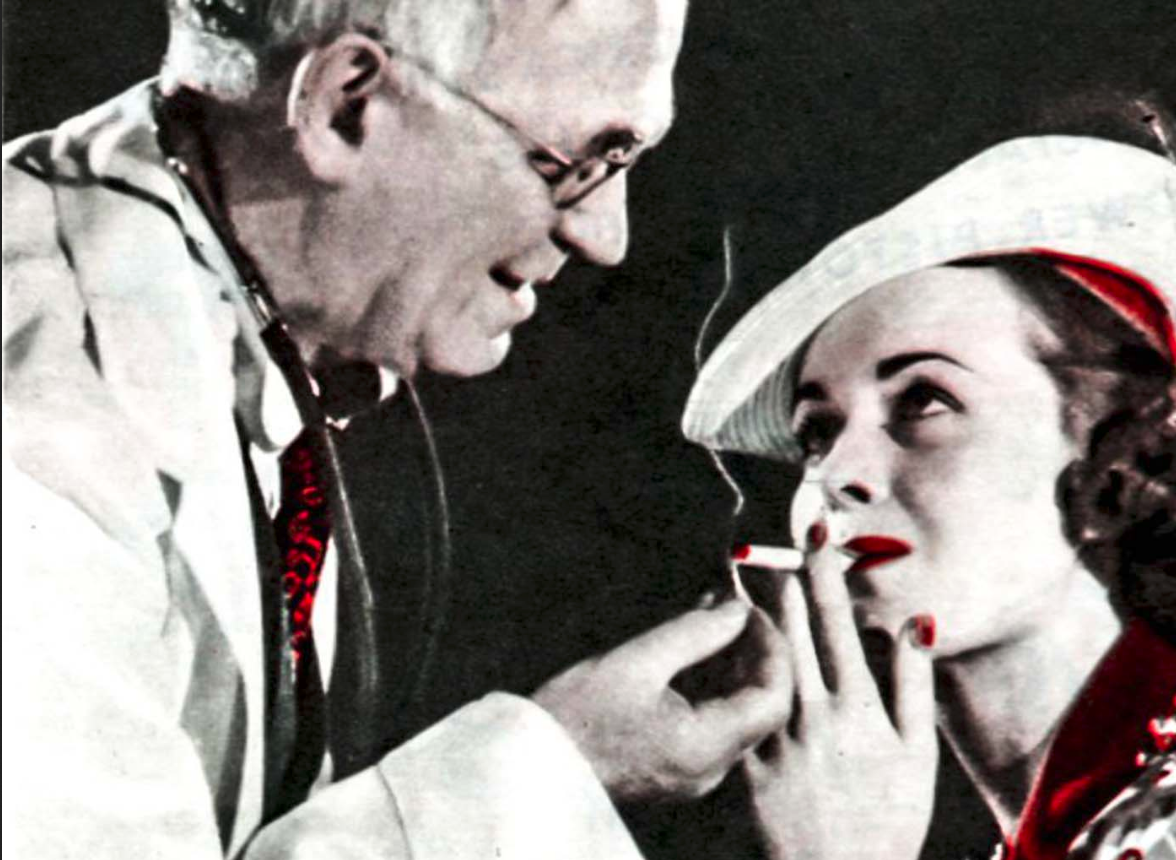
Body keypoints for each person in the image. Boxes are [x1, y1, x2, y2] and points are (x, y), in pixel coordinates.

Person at [2, 0, 793, 856]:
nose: (606, 236)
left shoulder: (234, 322)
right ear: (346, 105)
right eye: (582, 163)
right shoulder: (34, 434)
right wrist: (551, 777)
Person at [682, 132, 1176, 859]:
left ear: (1120, 462)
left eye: (923, 400)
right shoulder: (1094, 818)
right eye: (817, 432)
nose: (837, 474)